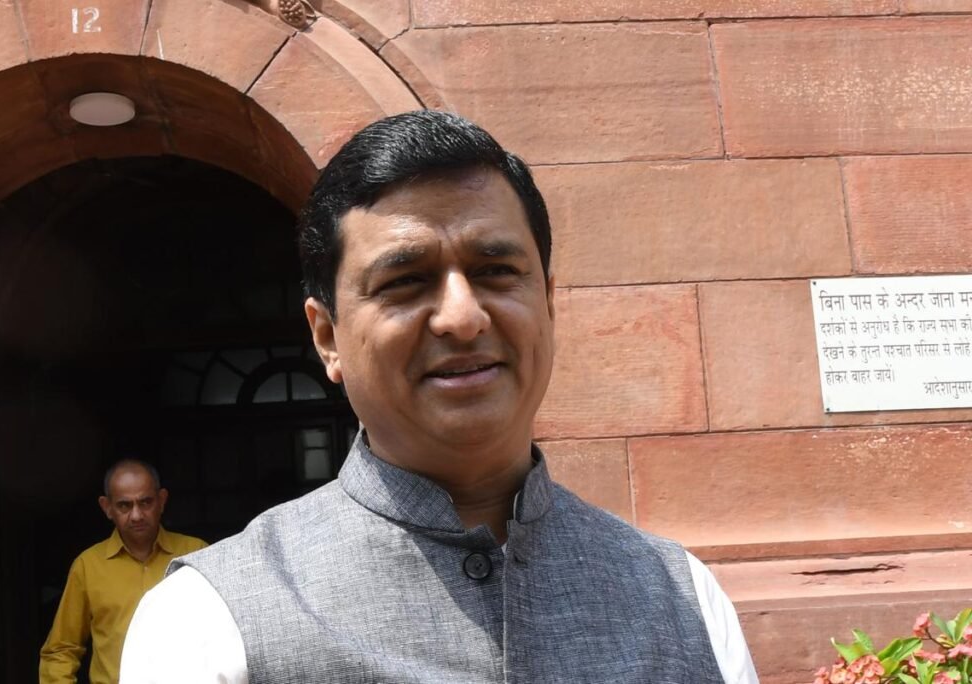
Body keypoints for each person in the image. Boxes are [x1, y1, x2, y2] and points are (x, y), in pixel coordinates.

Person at [120, 111, 760, 683]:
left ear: (549, 303)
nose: (462, 317)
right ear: (327, 338)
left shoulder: (681, 596)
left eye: (496, 271)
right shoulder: (207, 619)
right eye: (405, 280)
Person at [40, 459, 207, 684]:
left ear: (162, 500)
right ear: (107, 507)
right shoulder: (88, 566)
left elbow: (224, 636)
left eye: (145, 502)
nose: (136, 515)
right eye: (124, 506)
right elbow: (61, 650)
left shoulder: (196, 554)